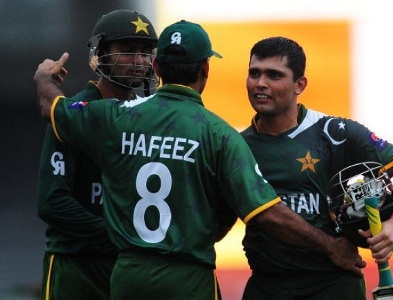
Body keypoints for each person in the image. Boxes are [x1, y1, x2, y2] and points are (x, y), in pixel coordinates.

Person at [34, 21, 367, 300]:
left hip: (128, 273)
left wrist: (45, 80)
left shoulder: (115, 116)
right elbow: (268, 214)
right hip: (187, 275)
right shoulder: (219, 134)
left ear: (157, 67)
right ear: (205, 69)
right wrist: (330, 247)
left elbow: (54, 108)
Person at [240, 36, 393, 299]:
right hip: (267, 284)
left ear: (299, 85)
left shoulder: (336, 132)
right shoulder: (237, 145)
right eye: (254, 73)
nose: (261, 83)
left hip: (333, 285)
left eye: (274, 75)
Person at [36, 9, 158, 300]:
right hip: (76, 266)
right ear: (100, 54)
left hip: (129, 266)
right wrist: (116, 236)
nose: (140, 61)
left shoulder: (151, 115)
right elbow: (52, 202)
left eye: (145, 52)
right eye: (127, 51)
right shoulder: (73, 112)